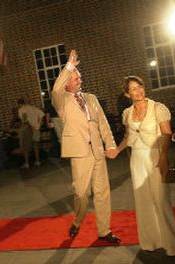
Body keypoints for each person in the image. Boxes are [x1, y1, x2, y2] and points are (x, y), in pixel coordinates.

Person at [112, 76, 175, 257]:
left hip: (155, 156)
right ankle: (151, 242)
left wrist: (163, 157)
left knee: (161, 201)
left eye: (140, 87)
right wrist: (117, 150)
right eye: (134, 89)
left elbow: (167, 134)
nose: (138, 91)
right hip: (137, 159)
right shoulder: (127, 113)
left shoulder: (158, 108)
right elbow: (128, 137)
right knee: (143, 201)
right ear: (127, 94)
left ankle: (174, 245)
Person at [52, 50, 120, 243]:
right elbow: (56, 89)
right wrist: (69, 67)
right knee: (81, 194)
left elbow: (103, 123)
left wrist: (111, 144)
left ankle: (104, 231)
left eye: (79, 76)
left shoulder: (91, 98)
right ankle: (77, 220)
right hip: (80, 153)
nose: (79, 80)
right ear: (67, 82)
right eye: (75, 78)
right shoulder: (61, 100)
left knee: (102, 192)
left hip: (98, 150)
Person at [17, 98, 45, 169]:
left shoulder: (21, 110)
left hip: (28, 130)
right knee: (36, 145)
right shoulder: (33, 108)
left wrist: (31, 126)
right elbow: (42, 115)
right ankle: (37, 161)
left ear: (19, 104)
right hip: (36, 128)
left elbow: (24, 120)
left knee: (26, 147)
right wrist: (39, 124)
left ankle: (27, 163)